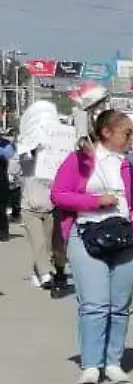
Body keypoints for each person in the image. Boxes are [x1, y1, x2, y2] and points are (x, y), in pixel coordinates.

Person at [53, 109, 133, 384]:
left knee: (119, 305)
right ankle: (91, 364)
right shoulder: (81, 158)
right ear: (106, 133)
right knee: (94, 304)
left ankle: (113, 361)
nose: (131, 138)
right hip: (87, 235)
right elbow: (59, 194)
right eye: (127, 132)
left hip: (130, 239)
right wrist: (94, 201)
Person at [15, 100, 75, 294]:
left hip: (52, 206)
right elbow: (14, 170)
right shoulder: (25, 152)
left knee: (51, 245)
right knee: (38, 242)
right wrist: (28, 151)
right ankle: (46, 275)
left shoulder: (58, 153)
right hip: (29, 207)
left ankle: (45, 271)